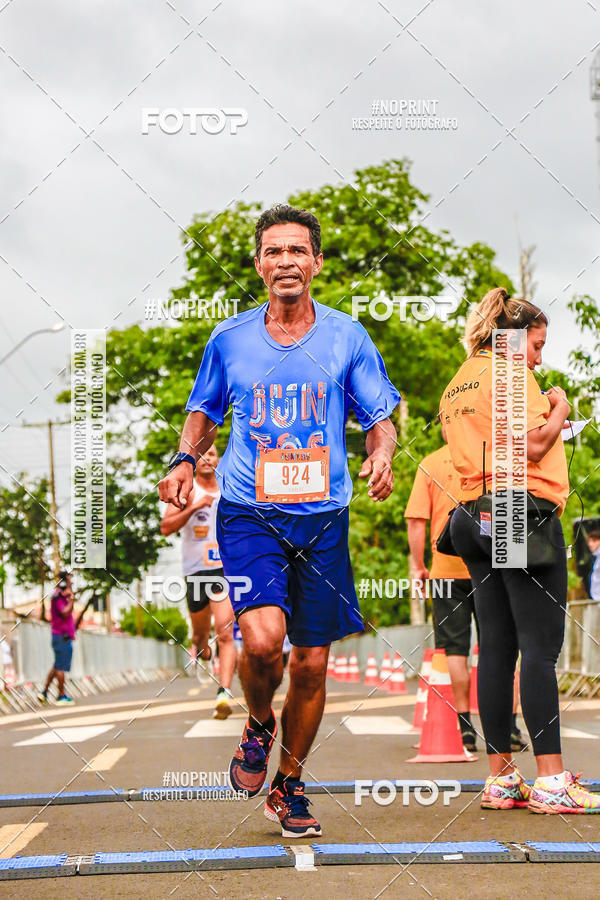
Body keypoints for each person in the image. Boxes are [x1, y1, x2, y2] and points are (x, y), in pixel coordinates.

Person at [158, 204, 400, 837]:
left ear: (316, 262)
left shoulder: (347, 337)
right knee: (263, 642)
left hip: (322, 519)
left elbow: (380, 416)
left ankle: (289, 785)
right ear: (258, 264)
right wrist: (184, 459)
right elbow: (203, 409)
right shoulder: (229, 340)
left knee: (312, 664)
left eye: (297, 250)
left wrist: (381, 453)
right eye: (274, 251)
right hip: (250, 512)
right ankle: (260, 721)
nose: (286, 261)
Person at [440, 286, 600, 813]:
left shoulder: (460, 379)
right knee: (539, 647)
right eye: (536, 345)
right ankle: (552, 780)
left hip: (471, 513)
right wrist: (560, 408)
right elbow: (532, 445)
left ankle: (502, 779)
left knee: (497, 647)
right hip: (516, 509)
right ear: (514, 338)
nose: (538, 358)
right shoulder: (511, 373)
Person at [405, 421, 527, 753]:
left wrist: (419, 566)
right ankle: (509, 728)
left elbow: (416, 520)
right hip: (493, 567)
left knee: (455, 651)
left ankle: (465, 730)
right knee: (501, 647)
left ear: (446, 427)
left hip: (446, 571)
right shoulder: (494, 457)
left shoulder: (430, 464)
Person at [161, 444, 236, 719]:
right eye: (201, 454)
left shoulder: (229, 487)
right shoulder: (188, 490)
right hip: (195, 571)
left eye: (211, 454)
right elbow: (166, 528)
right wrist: (194, 507)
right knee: (200, 637)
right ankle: (204, 651)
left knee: (225, 632)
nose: (206, 459)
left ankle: (224, 692)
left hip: (224, 569)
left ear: (219, 459)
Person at [38, 571, 76, 705]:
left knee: (56, 666)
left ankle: (44, 692)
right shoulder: (58, 597)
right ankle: (61, 696)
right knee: (61, 667)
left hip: (63, 636)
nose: (71, 584)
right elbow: (64, 613)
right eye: (70, 581)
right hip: (61, 637)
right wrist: (72, 600)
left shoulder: (62, 597)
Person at [586, 530, 600, 602]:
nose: (590, 544)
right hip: (596, 599)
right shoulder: (596, 558)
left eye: (594, 541)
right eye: (589, 541)